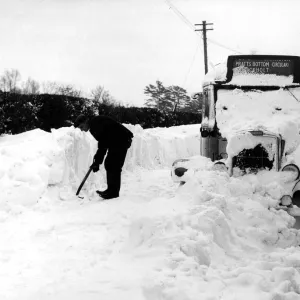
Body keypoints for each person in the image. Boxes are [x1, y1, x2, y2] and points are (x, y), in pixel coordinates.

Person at [74, 114, 133, 200]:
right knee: (110, 163)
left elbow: (103, 144)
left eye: (82, 126)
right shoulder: (94, 124)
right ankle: (111, 190)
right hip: (117, 140)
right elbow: (104, 142)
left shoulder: (95, 125)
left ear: (86, 121)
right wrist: (97, 161)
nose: (82, 129)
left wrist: (97, 161)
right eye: (80, 128)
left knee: (113, 164)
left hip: (121, 140)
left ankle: (113, 192)